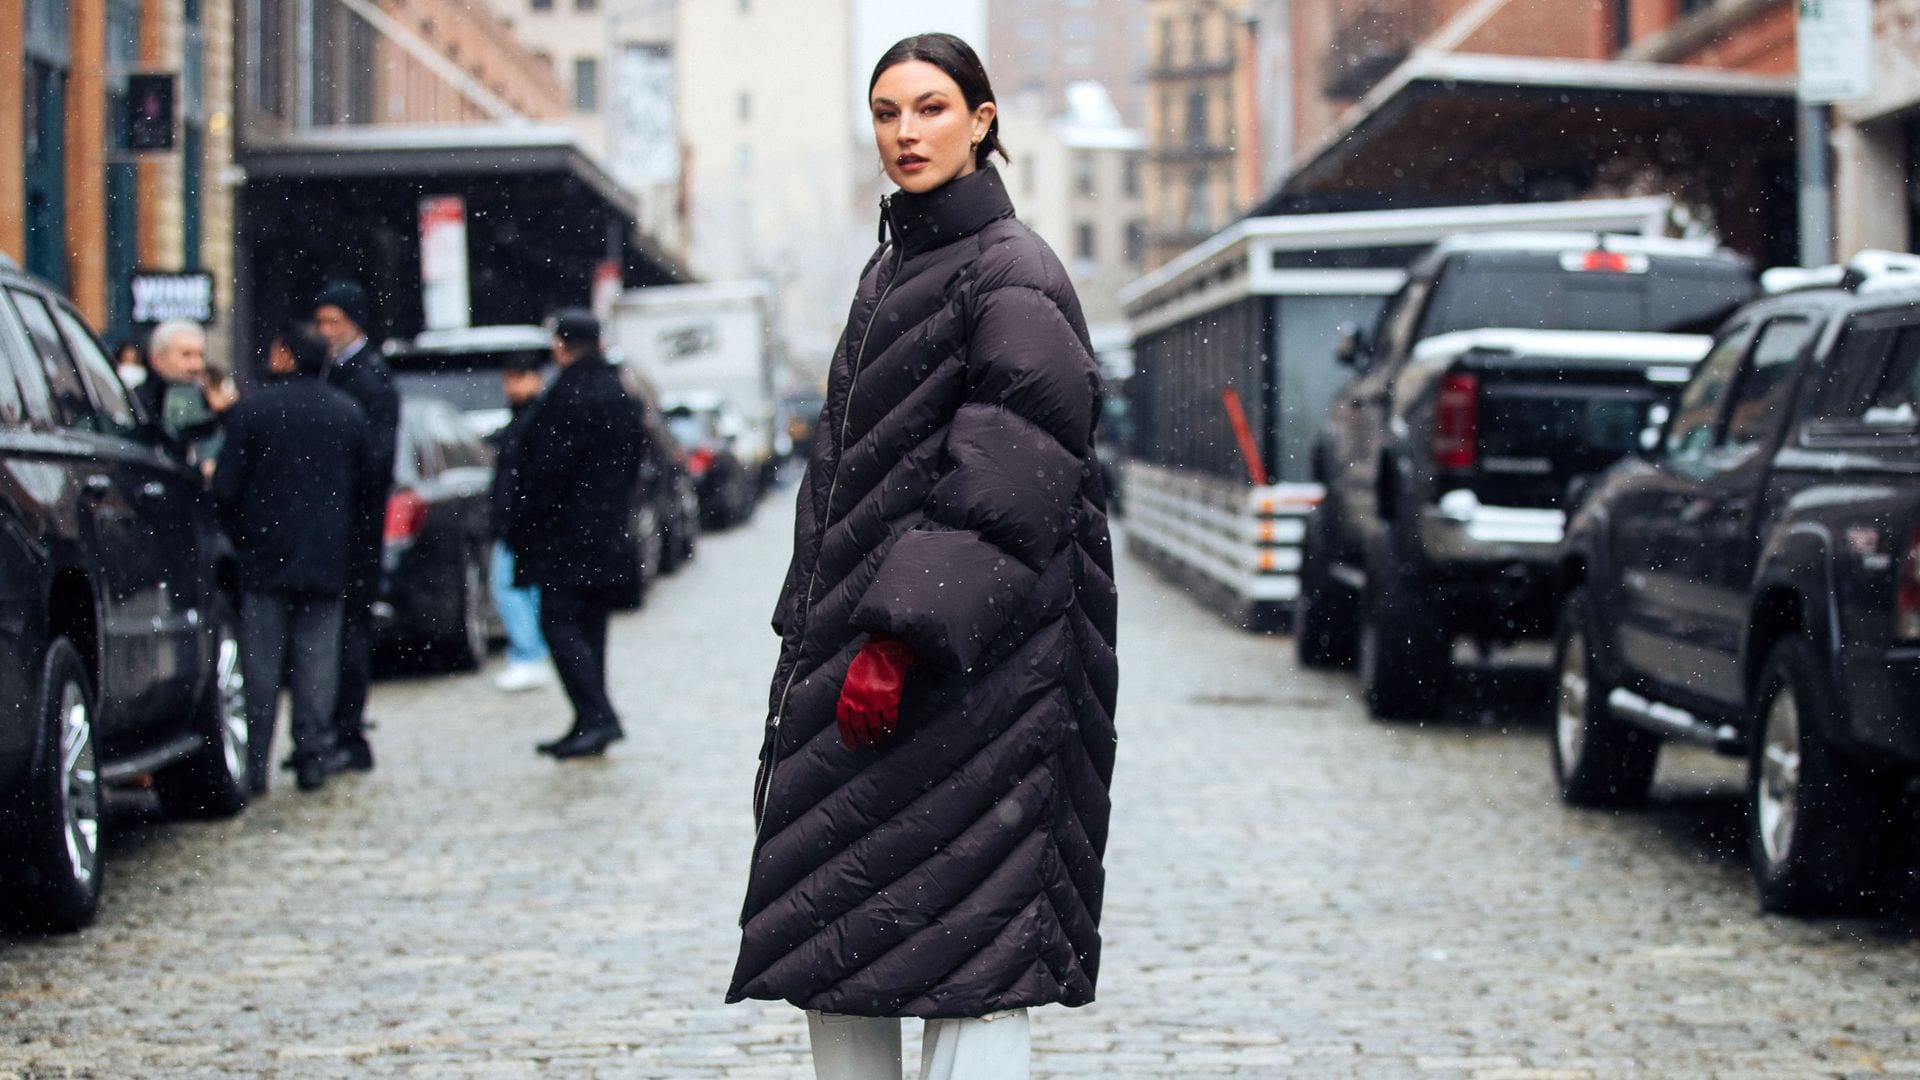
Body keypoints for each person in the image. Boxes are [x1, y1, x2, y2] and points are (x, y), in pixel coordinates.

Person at [726, 34, 1118, 1080]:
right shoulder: (900, 262)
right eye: (888, 111)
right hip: (874, 652)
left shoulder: (1013, 271)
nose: (907, 132)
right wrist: (817, 627)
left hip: (982, 670)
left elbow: (1011, 479)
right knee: (837, 935)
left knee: (975, 949)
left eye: (933, 108)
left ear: (983, 120)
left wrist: (896, 637)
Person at [211, 325, 375, 793]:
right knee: (317, 661)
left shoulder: (254, 411)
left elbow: (226, 486)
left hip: (264, 555)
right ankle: (313, 755)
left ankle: (256, 762)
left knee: (261, 665)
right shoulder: (347, 412)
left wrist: (243, 528)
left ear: (284, 356)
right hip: (326, 554)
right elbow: (366, 487)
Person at [501, 310, 643, 759]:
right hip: (606, 530)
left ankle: (598, 715)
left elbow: (548, 471)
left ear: (562, 345)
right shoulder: (619, 392)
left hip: (566, 535)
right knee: (590, 625)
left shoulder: (568, 396)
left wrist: (525, 516)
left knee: (559, 622)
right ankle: (589, 718)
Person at [312, 280, 400, 773]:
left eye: (333, 322)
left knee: (348, 633)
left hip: (354, 526)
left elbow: (376, 459)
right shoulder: (339, 371)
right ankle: (334, 730)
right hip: (339, 523)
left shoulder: (367, 377)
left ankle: (347, 732)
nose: (326, 331)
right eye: (321, 323)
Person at [487, 352, 553, 692]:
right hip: (517, 519)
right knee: (519, 589)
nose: (512, 385)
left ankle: (528, 654)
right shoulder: (522, 419)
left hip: (521, 521)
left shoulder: (533, 420)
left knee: (512, 588)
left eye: (519, 377)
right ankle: (529, 652)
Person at [139, 319, 234, 458]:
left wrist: (224, 413)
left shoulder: (210, 400)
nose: (196, 365)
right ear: (157, 359)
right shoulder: (139, 401)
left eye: (200, 355)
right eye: (186, 355)